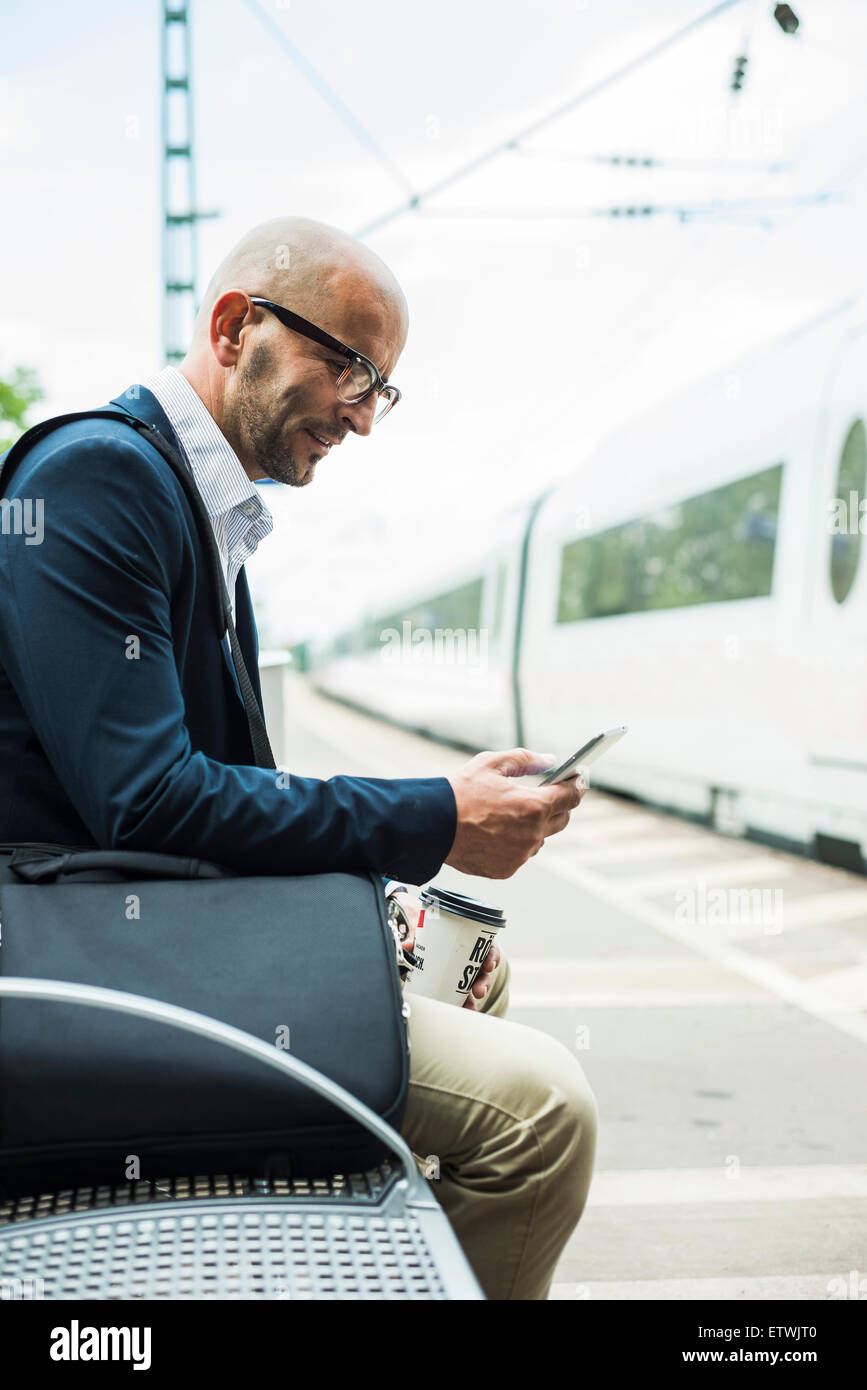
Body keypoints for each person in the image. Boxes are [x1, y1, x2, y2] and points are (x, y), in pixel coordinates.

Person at [0, 216, 597, 1299]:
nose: (365, 417)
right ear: (237, 327)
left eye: (384, 388)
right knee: (543, 1115)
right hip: (90, 989)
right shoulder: (98, 477)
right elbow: (146, 799)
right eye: (350, 367)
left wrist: (371, 892)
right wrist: (435, 815)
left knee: (471, 985)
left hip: (141, 948)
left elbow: (211, 788)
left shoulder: (191, 507)